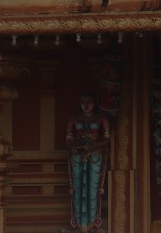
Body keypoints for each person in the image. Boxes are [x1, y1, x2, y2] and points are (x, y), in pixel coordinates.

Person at [67, 94, 111, 231]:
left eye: (89, 102)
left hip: (95, 156)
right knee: (78, 189)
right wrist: (74, 146)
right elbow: (67, 140)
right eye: (83, 102)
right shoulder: (74, 119)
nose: (86, 105)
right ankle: (79, 222)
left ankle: (92, 223)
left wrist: (95, 145)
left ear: (95, 103)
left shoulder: (101, 118)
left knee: (93, 190)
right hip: (78, 157)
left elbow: (107, 138)